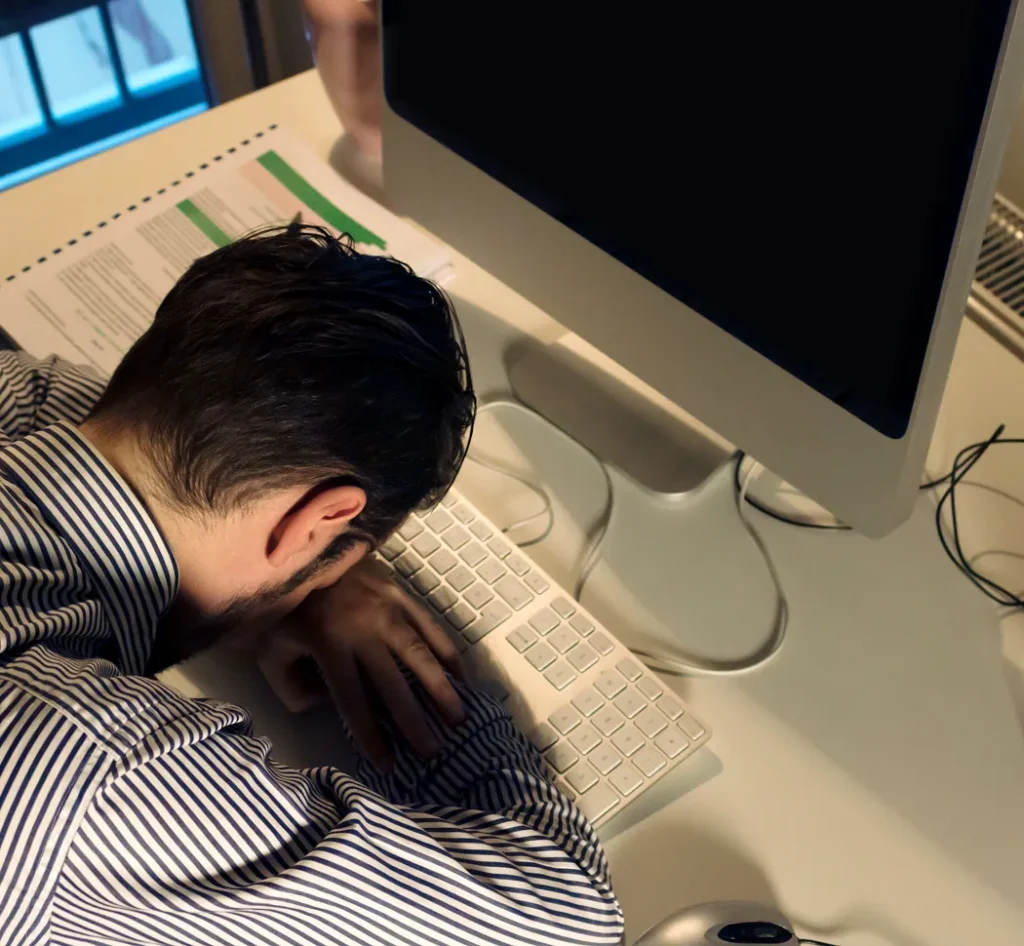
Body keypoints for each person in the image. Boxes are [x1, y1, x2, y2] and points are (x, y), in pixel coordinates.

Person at [0, 226, 624, 945]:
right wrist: (427, 687)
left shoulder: (16, 393)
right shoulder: (102, 780)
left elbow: (76, 406)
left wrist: (318, 578)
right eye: (342, 550)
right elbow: (564, 923)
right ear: (316, 522)